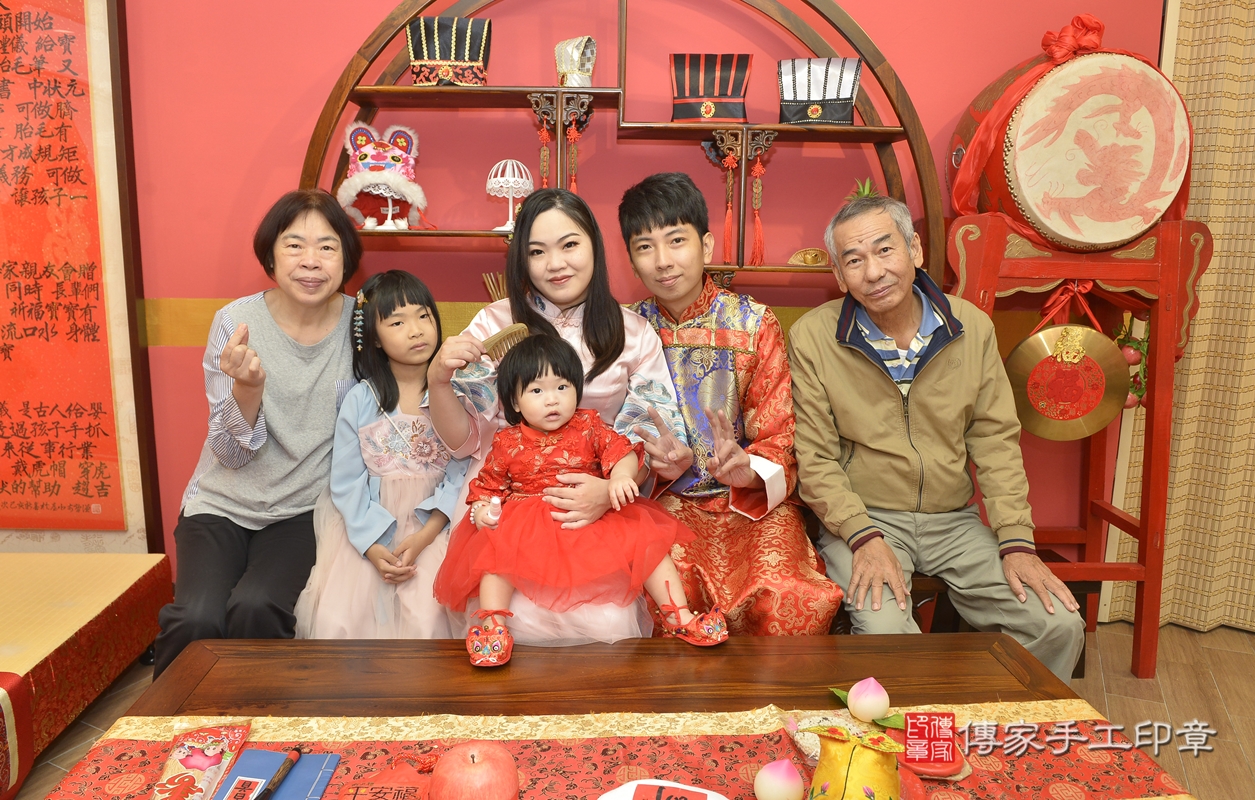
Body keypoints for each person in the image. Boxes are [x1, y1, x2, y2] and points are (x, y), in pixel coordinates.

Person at [788, 194, 1084, 680]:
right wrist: (862, 536)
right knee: (886, 636)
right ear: (839, 276)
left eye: (885, 250)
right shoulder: (813, 337)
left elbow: (995, 442)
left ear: (915, 250)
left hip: (954, 522)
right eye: (854, 261)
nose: (874, 272)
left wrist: (1017, 541)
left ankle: (997, 722)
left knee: (1057, 623)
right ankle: (918, 728)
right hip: (865, 520)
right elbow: (815, 459)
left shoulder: (972, 327)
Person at [427, 188, 694, 644]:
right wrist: (437, 381)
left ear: (595, 245)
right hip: (508, 502)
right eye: (537, 251)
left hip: (598, 506)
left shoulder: (633, 332)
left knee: (606, 625)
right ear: (521, 259)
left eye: (569, 244)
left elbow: (641, 439)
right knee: (512, 618)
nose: (555, 264)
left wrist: (610, 492)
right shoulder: (493, 324)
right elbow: (464, 441)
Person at [619, 172, 843, 635]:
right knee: (660, 591)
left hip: (750, 506)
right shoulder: (623, 331)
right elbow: (605, 434)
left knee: (786, 594)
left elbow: (781, 431)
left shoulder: (754, 323)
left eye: (676, 241)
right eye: (645, 247)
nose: (663, 261)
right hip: (663, 504)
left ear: (705, 246)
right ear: (632, 261)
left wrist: (749, 469)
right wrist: (648, 464)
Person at [153, 189, 361, 676]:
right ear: (270, 255)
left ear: (346, 258)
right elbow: (229, 453)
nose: (311, 261)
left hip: (303, 509)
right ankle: (168, 720)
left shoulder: (360, 325)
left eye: (327, 247)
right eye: (294, 245)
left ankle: (258, 717)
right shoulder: (235, 323)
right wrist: (247, 390)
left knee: (257, 607)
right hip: (222, 502)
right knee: (196, 617)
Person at [434, 335, 728, 665]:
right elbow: (488, 485)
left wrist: (619, 477)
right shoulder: (507, 441)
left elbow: (623, 452)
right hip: (525, 526)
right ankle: (493, 626)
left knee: (648, 544)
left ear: (577, 389)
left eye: (562, 387)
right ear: (514, 401)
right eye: (536, 391)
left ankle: (678, 614)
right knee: (494, 558)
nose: (552, 400)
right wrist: (481, 509)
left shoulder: (588, 425)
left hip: (590, 516)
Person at [294, 271, 474, 639]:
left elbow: (463, 469)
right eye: (397, 322)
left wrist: (426, 535)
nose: (416, 330)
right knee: (341, 621)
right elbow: (347, 481)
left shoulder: (455, 392)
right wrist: (372, 546)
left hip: (437, 527)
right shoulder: (361, 399)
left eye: (423, 316)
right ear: (374, 337)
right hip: (370, 530)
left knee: (429, 618)